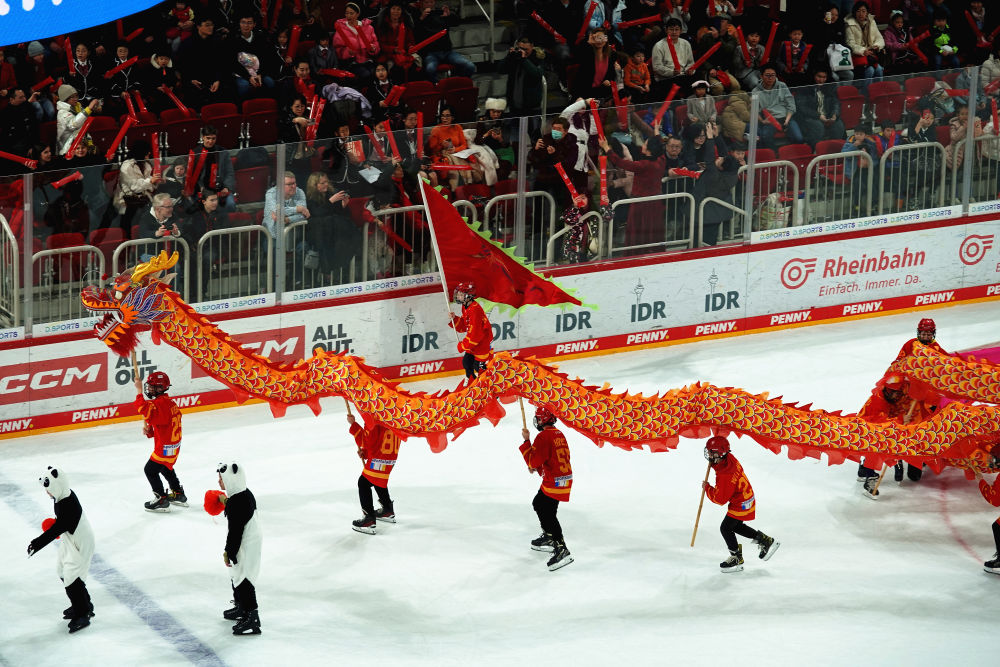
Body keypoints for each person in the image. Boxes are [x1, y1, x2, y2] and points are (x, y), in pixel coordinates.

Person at [27, 466, 96, 633]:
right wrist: (56, 524)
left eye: (49, 489)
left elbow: (57, 529)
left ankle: (83, 613)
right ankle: (82, 603)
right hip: (70, 539)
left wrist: (36, 544)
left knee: (72, 577)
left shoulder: (68, 504)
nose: (47, 492)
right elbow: (61, 524)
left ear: (57, 485)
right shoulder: (61, 497)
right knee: (62, 570)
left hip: (81, 543)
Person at [702, 436, 779, 573]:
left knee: (726, 528)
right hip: (746, 498)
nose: (709, 454)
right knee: (735, 526)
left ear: (720, 453)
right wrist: (715, 463)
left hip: (741, 503)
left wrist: (707, 488)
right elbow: (723, 469)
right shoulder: (729, 458)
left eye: (711, 452)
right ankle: (765, 540)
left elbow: (720, 499)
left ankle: (736, 558)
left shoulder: (726, 475)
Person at [855, 373, 935, 497]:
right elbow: (880, 424)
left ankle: (865, 469)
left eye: (897, 391)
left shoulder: (902, 393)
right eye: (891, 391)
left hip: (888, 425)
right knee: (875, 448)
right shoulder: (878, 401)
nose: (894, 395)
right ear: (885, 389)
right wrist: (901, 419)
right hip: (870, 428)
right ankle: (869, 477)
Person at [520, 405, 574, 571]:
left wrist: (526, 441)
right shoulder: (559, 433)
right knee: (540, 504)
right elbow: (550, 457)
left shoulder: (543, 436)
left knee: (546, 511)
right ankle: (549, 536)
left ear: (542, 420)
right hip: (563, 479)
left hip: (554, 482)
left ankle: (560, 547)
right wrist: (537, 466)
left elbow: (534, 460)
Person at [599, 133, 666, 251]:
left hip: (640, 204)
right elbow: (659, 147)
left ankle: (637, 253)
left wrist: (606, 148)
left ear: (649, 149)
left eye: (645, 144)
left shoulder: (643, 165)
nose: (642, 145)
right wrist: (657, 134)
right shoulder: (661, 161)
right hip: (655, 203)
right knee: (653, 231)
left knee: (637, 232)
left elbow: (620, 162)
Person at [217, 461, 263, 635]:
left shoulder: (237, 502)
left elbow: (235, 532)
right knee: (236, 574)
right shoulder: (243, 494)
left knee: (244, 579)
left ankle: (252, 618)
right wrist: (225, 501)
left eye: (221, 478)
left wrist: (229, 552)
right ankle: (241, 607)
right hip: (249, 539)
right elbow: (237, 510)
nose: (219, 481)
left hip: (247, 543)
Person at [134, 370, 187, 513]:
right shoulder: (169, 403)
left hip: (165, 448)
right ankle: (178, 493)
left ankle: (161, 499)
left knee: (150, 470)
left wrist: (139, 390)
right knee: (165, 467)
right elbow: (164, 423)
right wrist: (151, 431)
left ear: (160, 388)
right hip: (174, 447)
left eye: (152, 386)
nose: (149, 389)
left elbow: (142, 408)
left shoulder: (160, 404)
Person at [347, 411, 400, 534]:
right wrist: (366, 453)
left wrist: (353, 424)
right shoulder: (392, 415)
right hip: (389, 459)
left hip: (379, 460)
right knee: (377, 480)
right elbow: (379, 440)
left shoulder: (373, 417)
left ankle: (369, 520)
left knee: (363, 483)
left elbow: (367, 441)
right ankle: (387, 510)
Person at [411, 0, 475, 82]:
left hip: (447, 51)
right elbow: (415, 33)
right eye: (426, 2)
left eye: (431, 2)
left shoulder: (440, 12)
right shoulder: (417, 15)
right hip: (430, 53)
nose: (429, 4)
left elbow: (456, 23)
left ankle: (458, 84)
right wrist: (421, 18)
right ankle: (438, 87)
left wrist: (449, 15)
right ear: (422, 3)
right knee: (430, 69)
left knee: (470, 66)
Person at [449, 282, 491, 380]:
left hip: (481, 343)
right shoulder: (465, 306)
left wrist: (463, 346)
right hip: (474, 343)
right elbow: (465, 326)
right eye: (458, 294)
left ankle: (490, 385)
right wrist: (455, 319)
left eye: (461, 294)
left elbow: (475, 334)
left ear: (468, 296)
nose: (458, 296)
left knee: (479, 367)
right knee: (467, 362)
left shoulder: (475, 310)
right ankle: (472, 383)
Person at [754, 65, 804, 147]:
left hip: (786, 118)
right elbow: (754, 110)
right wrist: (762, 121)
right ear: (761, 76)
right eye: (767, 75)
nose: (770, 78)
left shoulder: (782, 86)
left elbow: (791, 105)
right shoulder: (756, 91)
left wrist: (786, 121)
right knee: (765, 139)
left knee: (799, 138)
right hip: (770, 120)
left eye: (773, 75)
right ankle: (774, 154)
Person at [796, 68, 845, 148]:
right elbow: (802, 108)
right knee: (818, 126)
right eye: (819, 76)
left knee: (838, 125)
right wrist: (818, 116)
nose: (821, 80)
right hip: (811, 117)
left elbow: (835, 103)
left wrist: (834, 114)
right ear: (813, 76)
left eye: (824, 77)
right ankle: (816, 149)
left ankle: (835, 149)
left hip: (827, 115)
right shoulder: (804, 88)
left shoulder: (830, 87)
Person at [334, 2, 381, 81]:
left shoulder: (368, 28)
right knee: (366, 74)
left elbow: (375, 44)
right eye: (346, 13)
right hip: (352, 63)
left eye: (351, 13)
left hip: (368, 60)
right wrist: (348, 52)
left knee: (378, 72)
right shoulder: (341, 29)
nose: (348, 16)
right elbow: (337, 49)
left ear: (357, 14)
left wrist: (373, 48)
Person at [500, 36, 545, 118]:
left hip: (532, 108)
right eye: (521, 48)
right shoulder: (514, 57)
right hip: (514, 106)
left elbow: (537, 74)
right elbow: (501, 70)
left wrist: (524, 60)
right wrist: (509, 57)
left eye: (526, 49)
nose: (523, 51)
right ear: (517, 46)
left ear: (532, 46)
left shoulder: (538, 57)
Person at [844, 1, 885, 83]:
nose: (861, 14)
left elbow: (879, 38)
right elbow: (850, 44)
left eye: (863, 11)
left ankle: (879, 90)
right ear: (854, 13)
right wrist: (863, 51)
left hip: (870, 56)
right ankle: (865, 91)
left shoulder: (871, 22)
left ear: (867, 13)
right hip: (858, 56)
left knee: (879, 69)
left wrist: (877, 46)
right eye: (858, 11)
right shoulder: (849, 24)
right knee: (870, 70)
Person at [652, 18, 695, 94]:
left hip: (683, 75)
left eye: (676, 29)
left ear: (681, 31)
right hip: (665, 79)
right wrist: (672, 72)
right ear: (666, 30)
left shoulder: (686, 43)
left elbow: (691, 63)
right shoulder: (658, 46)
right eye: (671, 29)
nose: (674, 32)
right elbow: (657, 67)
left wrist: (689, 70)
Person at [55, 85, 100, 156]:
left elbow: (84, 128)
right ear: (65, 98)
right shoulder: (62, 113)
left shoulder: (77, 108)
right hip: (66, 152)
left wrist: (90, 144)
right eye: (72, 97)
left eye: (76, 96)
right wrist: (89, 108)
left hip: (79, 149)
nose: (76, 99)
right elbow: (73, 124)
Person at [263, 173, 309, 239]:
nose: (293, 186)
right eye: (289, 184)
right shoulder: (271, 194)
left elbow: (304, 215)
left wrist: (288, 219)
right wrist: (297, 209)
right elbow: (278, 212)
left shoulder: (299, 192)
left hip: (295, 237)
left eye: (294, 183)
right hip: (273, 237)